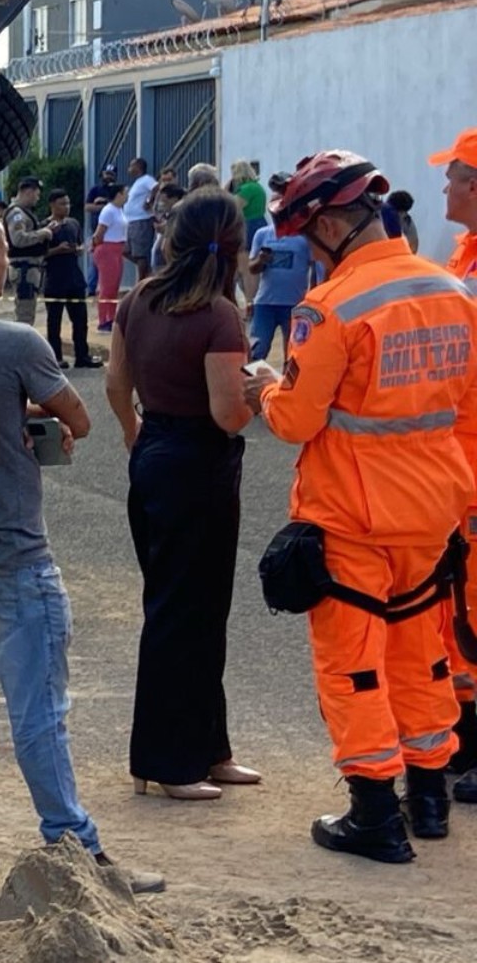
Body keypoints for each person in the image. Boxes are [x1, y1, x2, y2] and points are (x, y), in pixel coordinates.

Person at [0, 204, 162, 894]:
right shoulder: (15, 344)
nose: (8, 261)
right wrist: (29, 419)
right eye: (5, 250)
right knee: (40, 709)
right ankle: (77, 850)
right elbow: (77, 418)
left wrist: (8, 418)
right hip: (10, 552)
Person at [243, 150, 477, 863]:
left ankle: (374, 811)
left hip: (351, 515)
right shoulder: (454, 293)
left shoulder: (331, 308)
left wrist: (265, 386)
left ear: (331, 225)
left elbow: (295, 421)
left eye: (307, 233)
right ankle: (429, 795)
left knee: (354, 665)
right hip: (435, 509)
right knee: (420, 653)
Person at [106, 190, 257, 801]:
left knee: (182, 605)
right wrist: (264, 389)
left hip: (157, 450)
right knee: (189, 611)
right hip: (200, 461)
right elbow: (228, 415)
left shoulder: (138, 298)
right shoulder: (220, 315)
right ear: (233, 246)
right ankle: (169, 760)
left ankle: (203, 747)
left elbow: (117, 383)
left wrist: (134, 433)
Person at [431, 128, 477, 804]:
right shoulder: (465, 254)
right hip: (455, 465)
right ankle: (463, 738)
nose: (445, 185)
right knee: (458, 610)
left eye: (455, 176)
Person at [245, 173, 317, 362]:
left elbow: (315, 267)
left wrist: (314, 297)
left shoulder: (303, 237)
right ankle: (252, 388)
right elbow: (252, 268)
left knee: (293, 354)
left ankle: (286, 389)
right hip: (265, 303)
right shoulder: (262, 234)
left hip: (294, 304)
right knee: (257, 350)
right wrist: (261, 260)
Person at [43, 190, 97, 368]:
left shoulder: (73, 224)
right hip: (55, 280)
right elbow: (39, 254)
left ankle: (82, 356)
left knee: (80, 320)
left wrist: (78, 248)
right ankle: (55, 358)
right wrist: (58, 249)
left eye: (68, 204)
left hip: (74, 278)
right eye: (62, 204)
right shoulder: (45, 227)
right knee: (54, 321)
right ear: (52, 205)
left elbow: (80, 243)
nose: (66, 207)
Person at [4, 177, 52, 326]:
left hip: (28, 268)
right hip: (24, 269)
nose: (37, 199)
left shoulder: (24, 212)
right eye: (36, 194)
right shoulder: (16, 213)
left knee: (28, 312)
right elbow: (18, 239)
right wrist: (42, 234)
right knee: (25, 315)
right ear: (28, 191)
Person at [94, 183, 130, 331]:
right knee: (107, 286)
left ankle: (111, 316)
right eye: (125, 193)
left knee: (114, 286)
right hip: (108, 248)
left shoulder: (119, 210)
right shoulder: (108, 211)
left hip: (117, 248)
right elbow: (99, 232)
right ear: (119, 194)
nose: (127, 195)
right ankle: (104, 320)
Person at [84, 164, 119, 297]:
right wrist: (104, 207)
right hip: (97, 229)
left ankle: (109, 288)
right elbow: (88, 207)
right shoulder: (96, 190)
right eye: (106, 174)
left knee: (112, 262)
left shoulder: (116, 190)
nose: (108, 176)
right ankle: (91, 289)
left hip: (114, 232)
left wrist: (104, 203)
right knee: (95, 260)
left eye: (111, 174)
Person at [125, 158, 159, 279]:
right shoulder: (138, 182)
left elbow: (156, 188)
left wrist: (149, 201)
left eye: (131, 166)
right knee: (127, 250)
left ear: (138, 167)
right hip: (132, 220)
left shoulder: (146, 180)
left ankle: (142, 278)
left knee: (141, 253)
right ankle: (148, 270)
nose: (129, 169)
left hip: (141, 220)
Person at [232, 161, 269, 243]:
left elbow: (233, 208)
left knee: (247, 253)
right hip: (261, 222)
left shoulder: (246, 189)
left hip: (249, 225)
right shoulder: (257, 186)